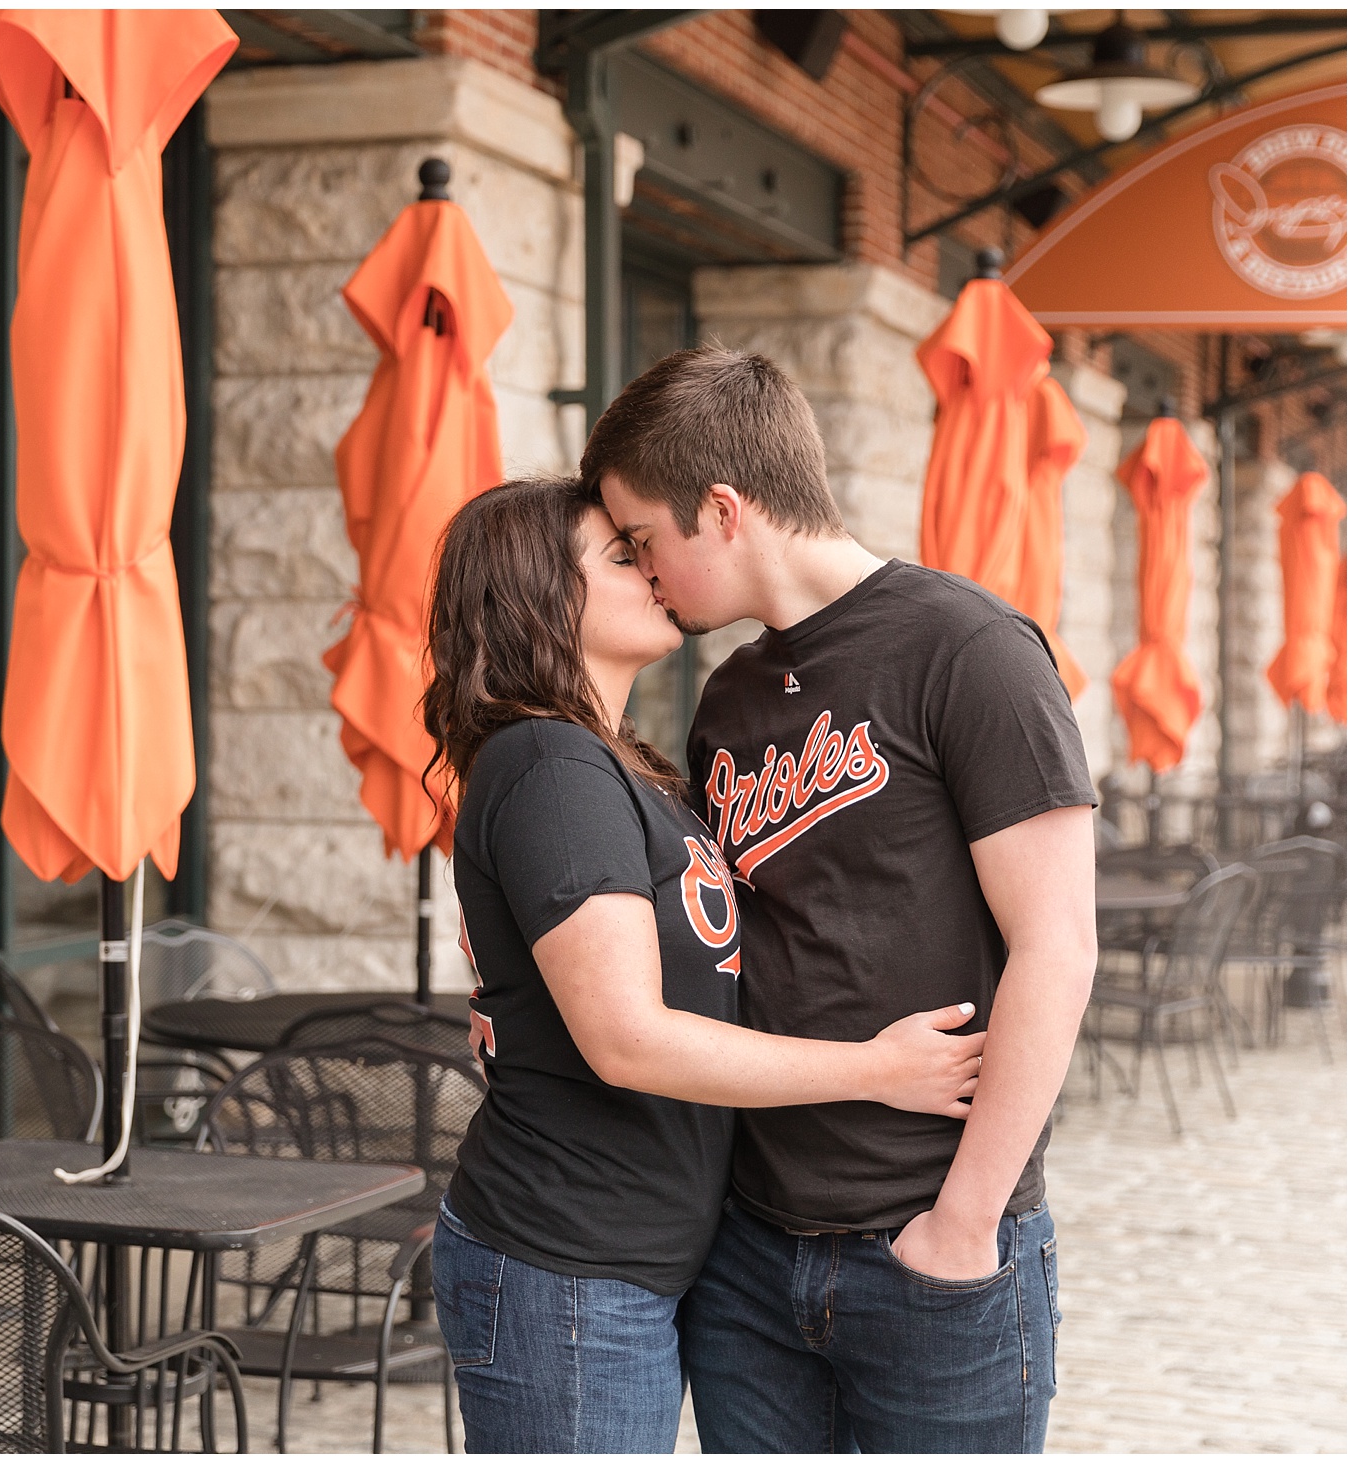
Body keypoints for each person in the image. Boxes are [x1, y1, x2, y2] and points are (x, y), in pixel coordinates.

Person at [583, 345, 1096, 1453]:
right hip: (749, 1255)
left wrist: (962, 1224)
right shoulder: (725, 695)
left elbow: (1058, 947)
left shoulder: (970, 650)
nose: (641, 571)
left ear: (720, 509)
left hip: (931, 1250)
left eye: (643, 541)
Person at [421, 477, 991, 1453]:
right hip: (566, 1262)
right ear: (538, 598)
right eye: (618, 555)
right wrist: (874, 1067)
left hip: (624, 1265)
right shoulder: (550, 765)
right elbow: (626, 1037)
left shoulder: (613, 762)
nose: (652, 567)